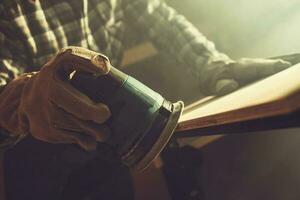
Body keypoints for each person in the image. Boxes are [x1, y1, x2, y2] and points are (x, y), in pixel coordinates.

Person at [0, 0, 291, 199]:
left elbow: (155, 16)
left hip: (108, 147)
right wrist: (23, 97)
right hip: (39, 169)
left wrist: (212, 65)